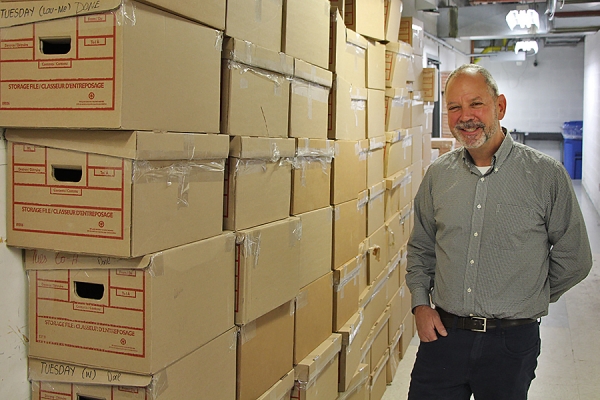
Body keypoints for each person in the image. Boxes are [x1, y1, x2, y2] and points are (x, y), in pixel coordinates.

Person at [405, 63, 593, 399]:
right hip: (443, 337)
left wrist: (528, 293)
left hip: (511, 344)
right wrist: (421, 304)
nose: (466, 116)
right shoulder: (438, 176)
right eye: (454, 107)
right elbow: (421, 248)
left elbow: (575, 257)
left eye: (476, 103)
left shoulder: (545, 176)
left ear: (500, 106)